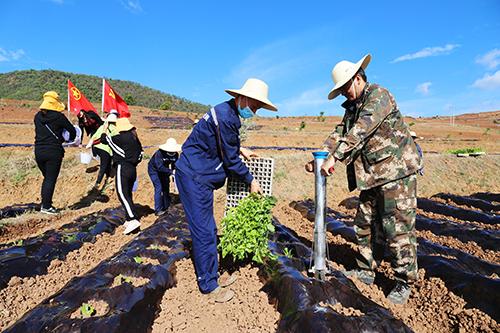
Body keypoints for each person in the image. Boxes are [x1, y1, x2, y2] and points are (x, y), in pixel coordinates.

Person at [305, 54, 423, 304]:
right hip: (372, 176)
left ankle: (404, 282)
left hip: (396, 173)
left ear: (357, 79)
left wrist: (334, 159)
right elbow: (341, 132)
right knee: (365, 223)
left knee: (397, 228)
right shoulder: (352, 108)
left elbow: (361, 129)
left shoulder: (378, 96)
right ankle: (365, 270)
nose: (344, 94)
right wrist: (320, 156)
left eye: (345, 88)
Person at [175, 78, 277, 303]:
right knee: (205, 230)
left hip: (198, 173)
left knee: (209, 230)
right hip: (194, 175)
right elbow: (230, 162)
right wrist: (251, 180)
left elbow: (220, 141)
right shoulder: (227, 117)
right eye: (254, 105)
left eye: (258, 108)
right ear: (242, 97)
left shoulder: (226, 112)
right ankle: (209, 284)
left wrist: (242, 149)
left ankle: (212, 274)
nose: (255, 110)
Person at [34, 91, 76, 214]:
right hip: (53, 151)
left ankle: (44, 204)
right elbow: (72, 131)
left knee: (47, 178)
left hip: (38, 151)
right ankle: (47, 206)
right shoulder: (59, 117)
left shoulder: (37, 116)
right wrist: (65, 139)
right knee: (50, 179)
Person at [101, 117, 144, 235]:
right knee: (128, 193)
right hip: (133, 169)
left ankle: (132, 219)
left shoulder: (119, 138)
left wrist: (105, 127)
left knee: (122, 194)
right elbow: (141, 155)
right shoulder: (135, 138)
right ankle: (129, 218)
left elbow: (104, 139)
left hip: (122, 168)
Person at [148, 138, 181, 216]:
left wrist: (174, 176)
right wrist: (171, 172)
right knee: (159, 188)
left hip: (165, 170)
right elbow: (159, 167)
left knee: (166, 187)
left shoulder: (176, 154)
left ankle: (166, 206)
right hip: (154, 171)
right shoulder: (159, 154)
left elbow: (174, 165)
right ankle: (158, 210)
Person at [86, 113, 118, 190]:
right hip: (105, 149)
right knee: (104, 165)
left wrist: (89, 144)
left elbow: (94, 136)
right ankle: (98, 183)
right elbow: (116, 140)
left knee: (107, 163)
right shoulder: (115, 128)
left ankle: (108, 176)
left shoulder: (103, 126)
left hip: (97, 148)